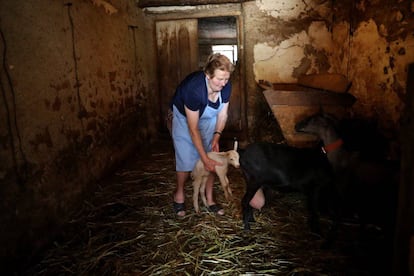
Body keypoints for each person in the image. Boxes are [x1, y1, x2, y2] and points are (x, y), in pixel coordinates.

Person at [169, 53, 235, 217]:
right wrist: (203, 158)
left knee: (212, 158)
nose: (223, 83)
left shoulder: (226, 86)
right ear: (208, 75)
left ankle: (210, 198)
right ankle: (179, 194)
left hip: (209, 118)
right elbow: (193, 129)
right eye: (219, 79)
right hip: (185, 120)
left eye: (226, 79)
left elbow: (222, 115)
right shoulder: (194, 89)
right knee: (186, 157)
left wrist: (216, 136)